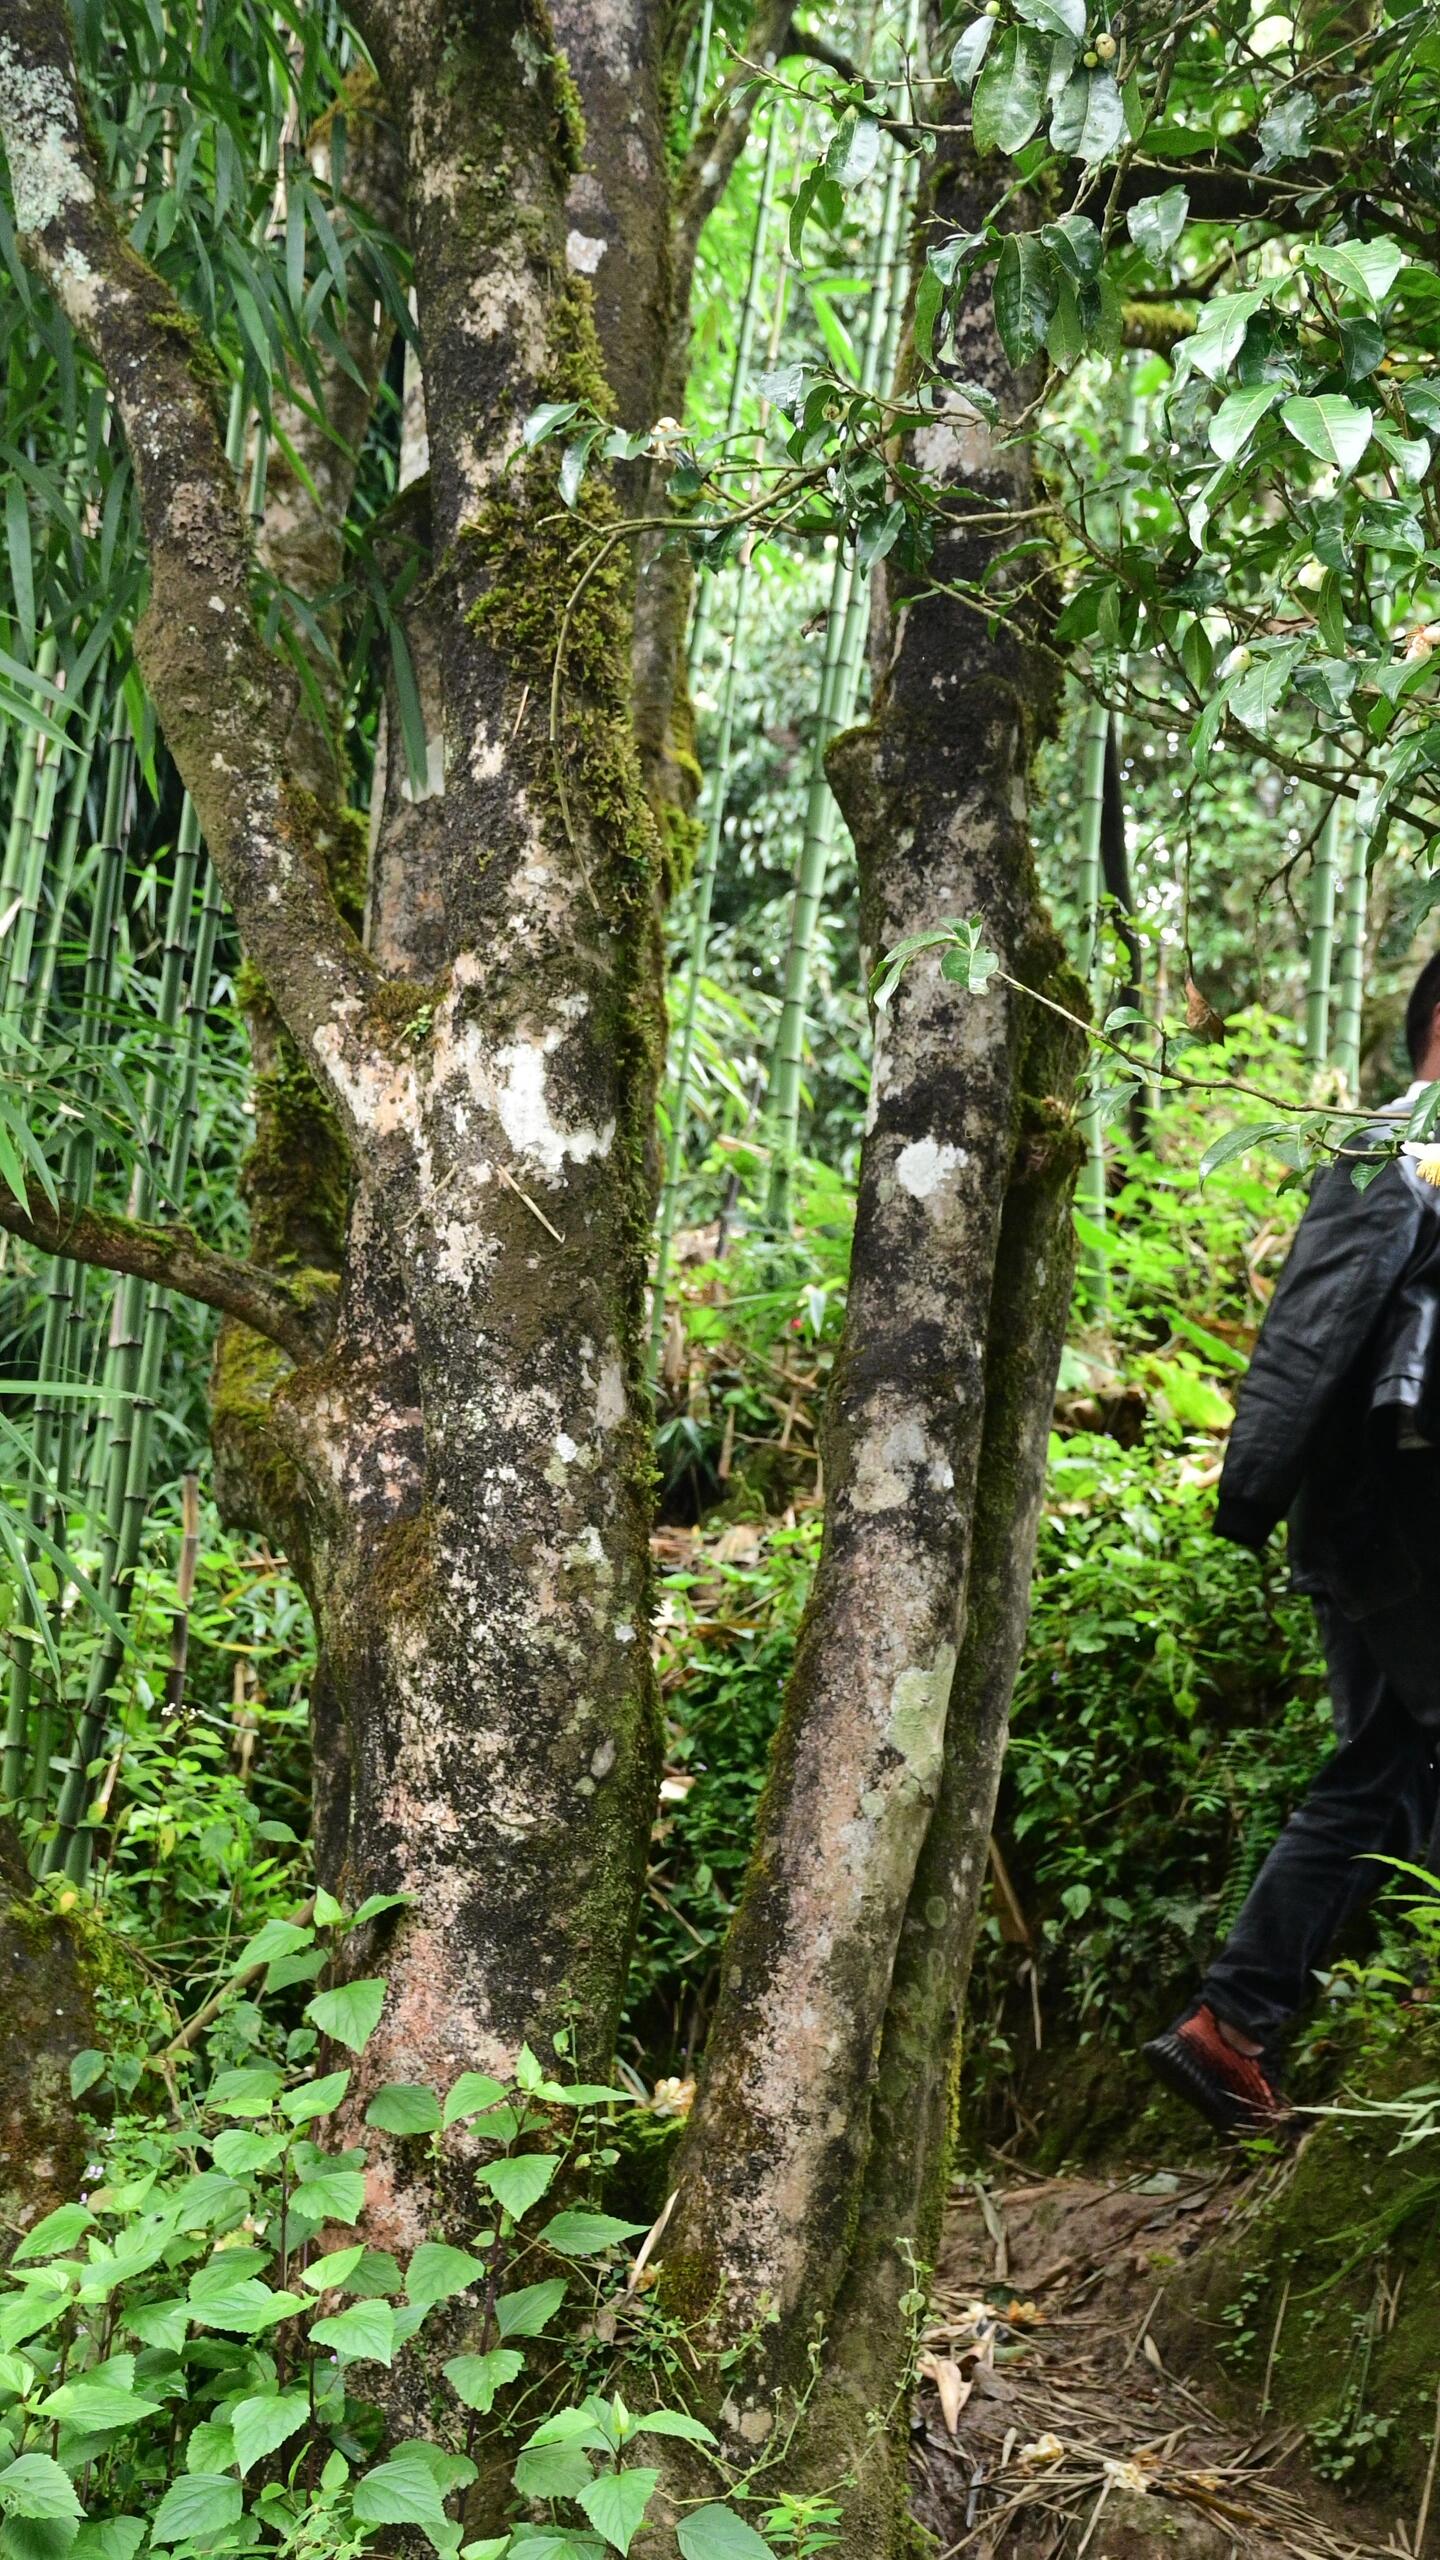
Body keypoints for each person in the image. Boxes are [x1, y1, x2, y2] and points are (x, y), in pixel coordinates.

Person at [1143, 953, 1440, 2134]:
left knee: (1393, 1766)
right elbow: (1313, 1333)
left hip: (1383, 1519)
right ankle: (1233, 2022)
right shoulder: (1400, 1144)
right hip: (1391, 1520)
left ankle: (1238, 2025)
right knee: (1393, 1757)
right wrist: (1256, 1487)